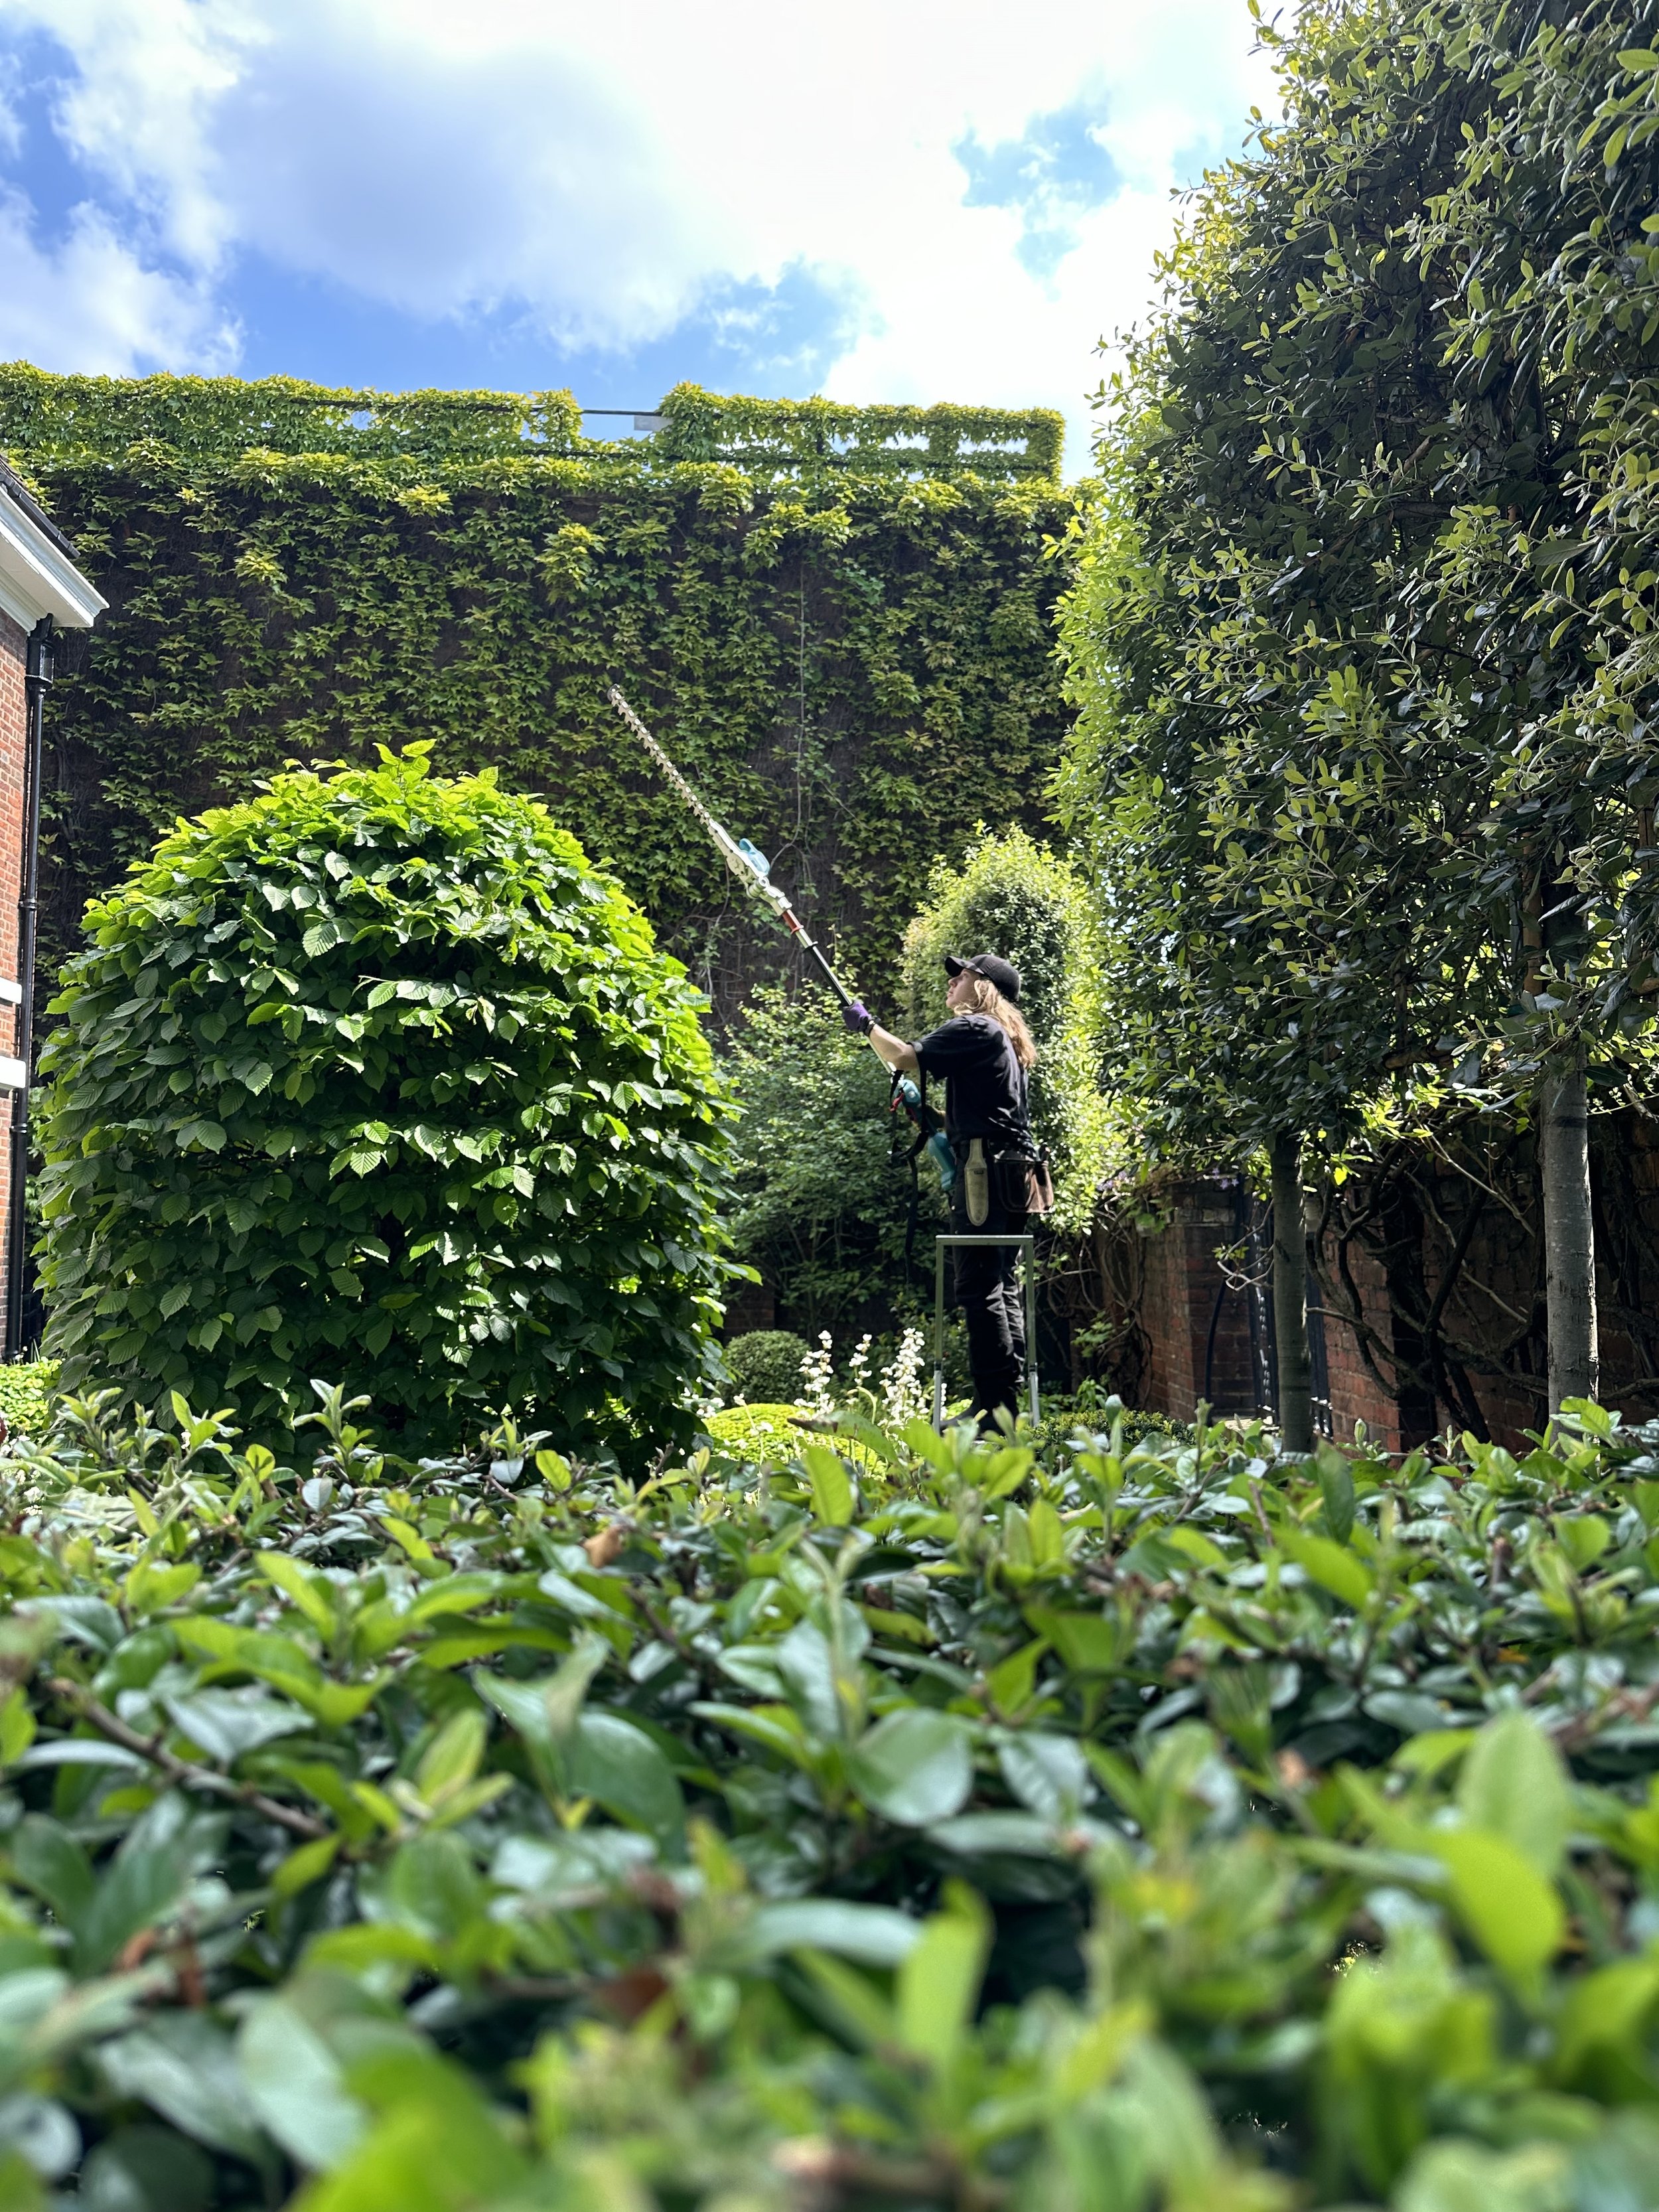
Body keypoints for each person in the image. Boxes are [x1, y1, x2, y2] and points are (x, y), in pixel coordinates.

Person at [843, 952, 1037, 1428]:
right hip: (1012, 1172)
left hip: (984, 1171)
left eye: (964, 974)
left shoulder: (976, 1027)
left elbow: (904, 1055)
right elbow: (986, 1116)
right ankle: (1003, 1405)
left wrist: (866, 1024)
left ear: (985, 987)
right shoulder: (1002, 1040)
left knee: (979, 1285)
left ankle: (993, 1411)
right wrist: (925, 1116)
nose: (953, 980)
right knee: (1001, 1282)